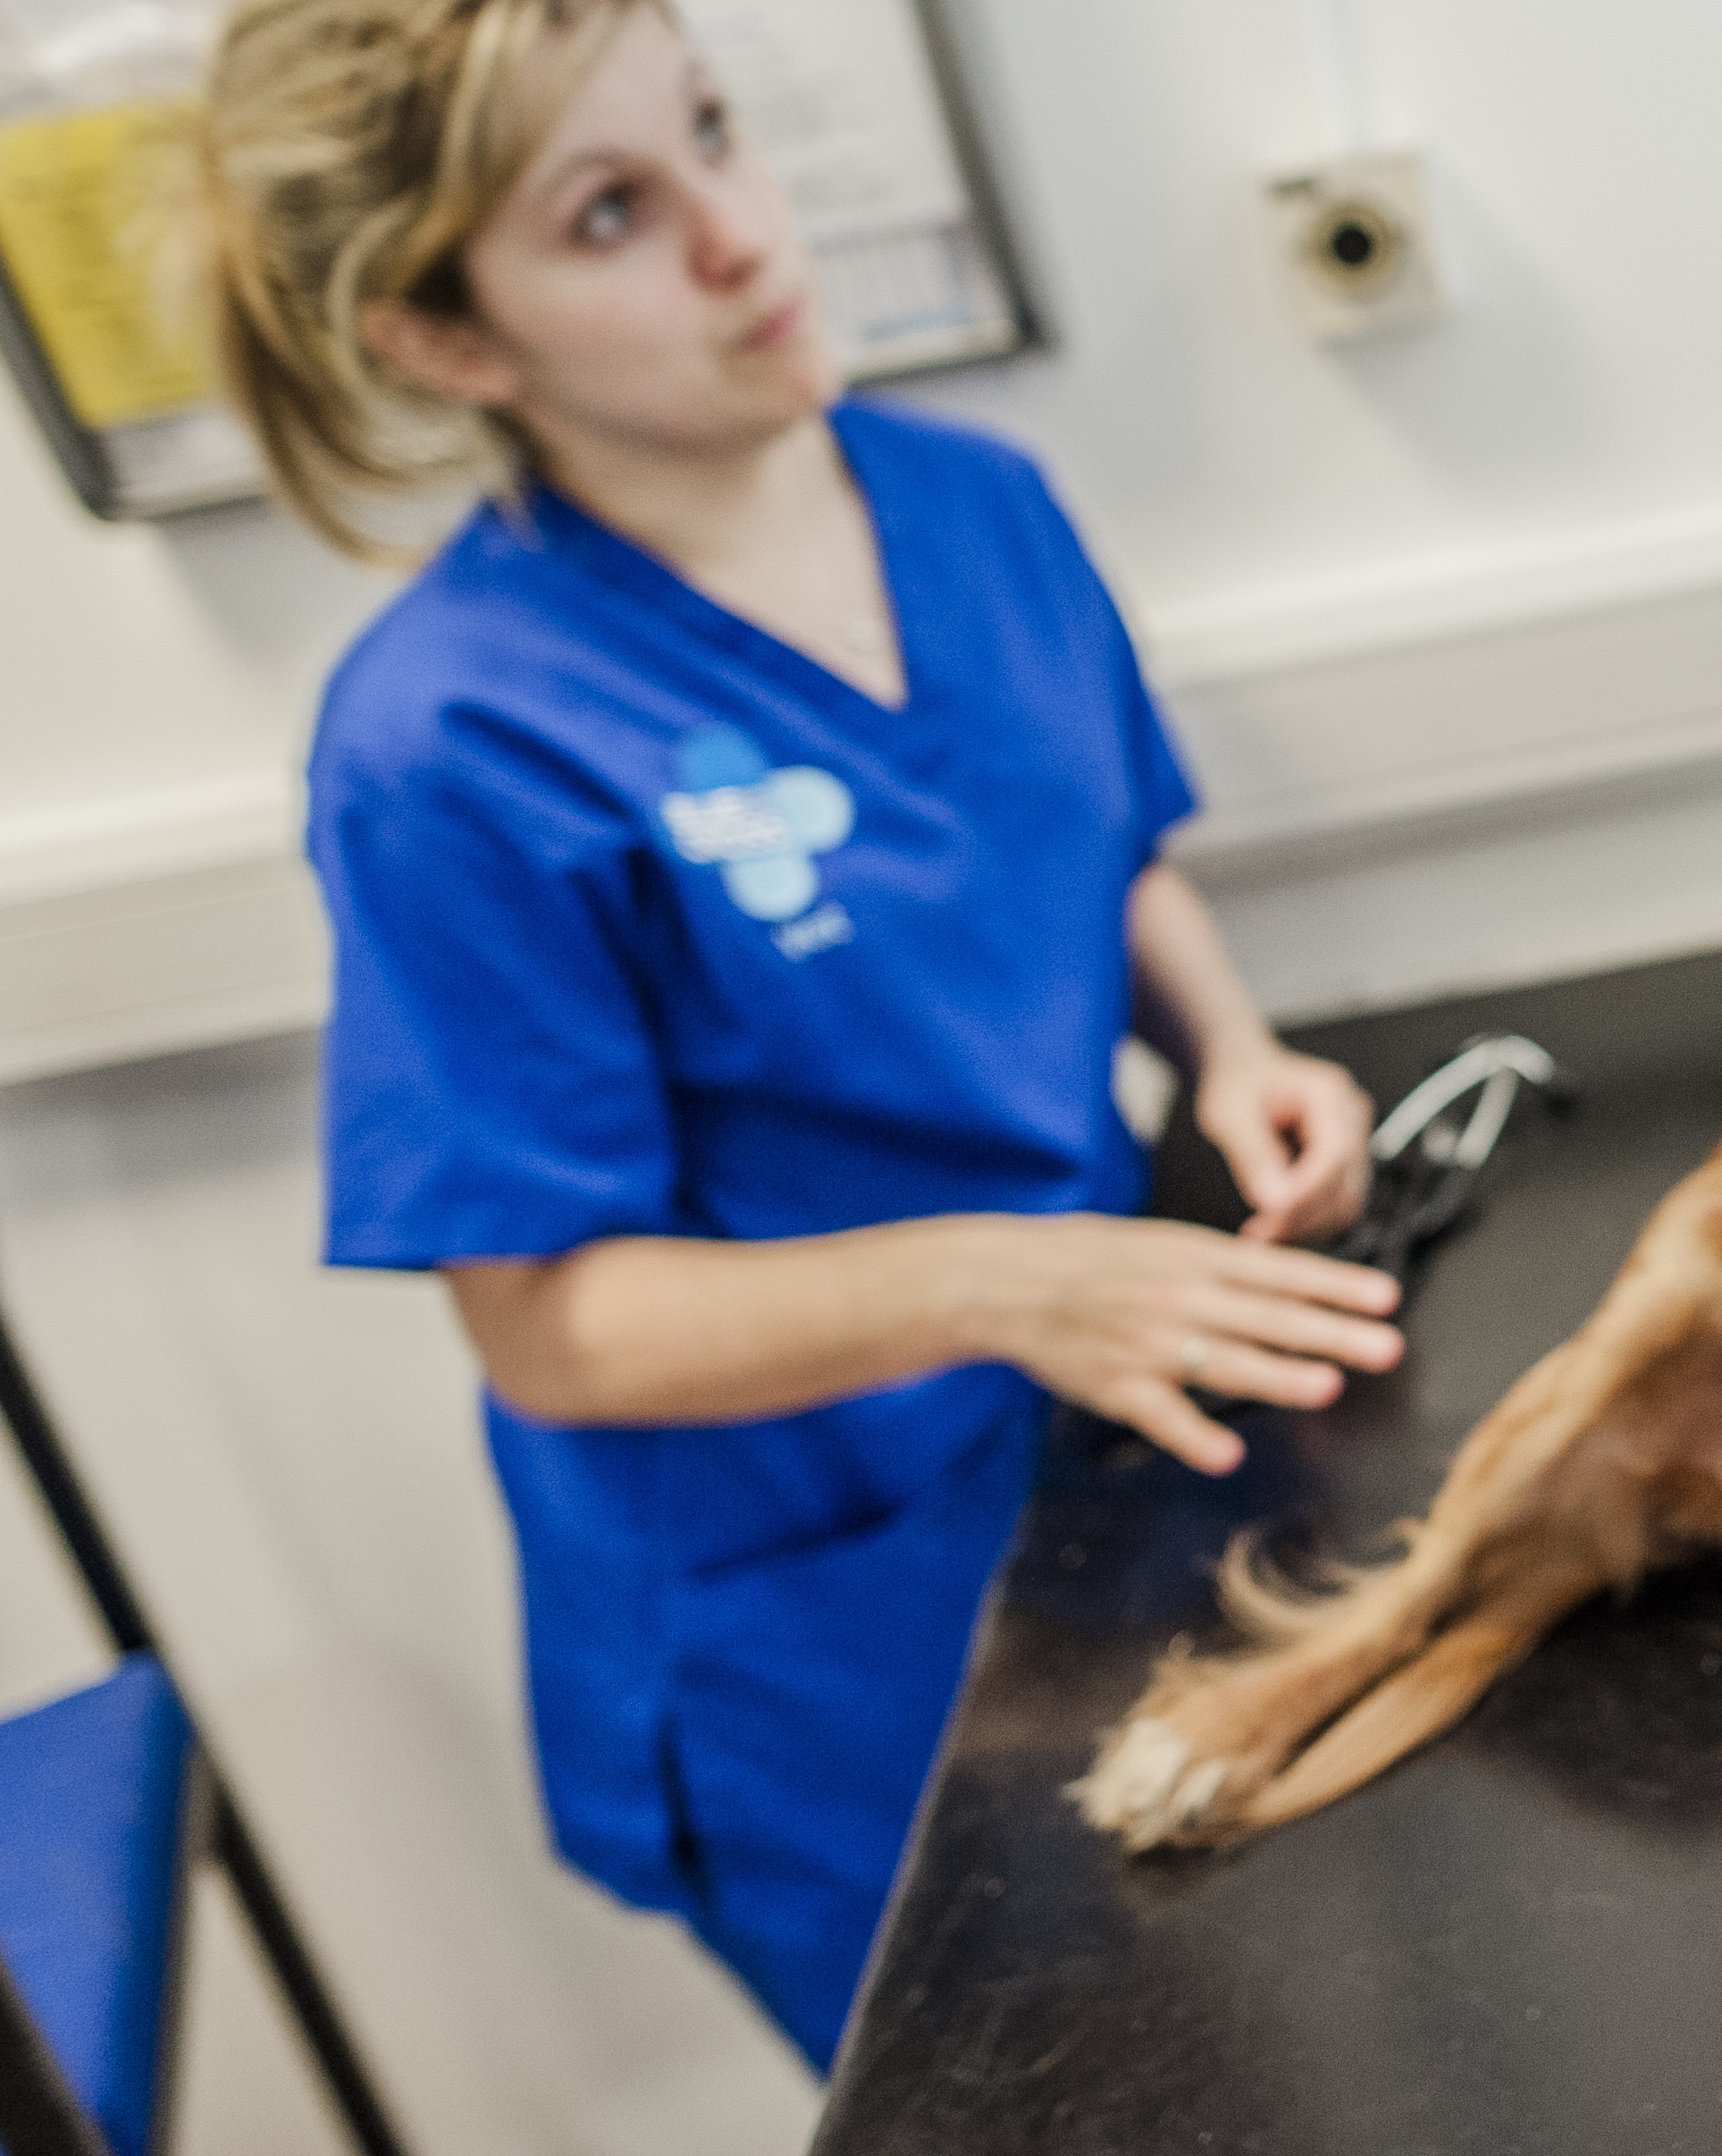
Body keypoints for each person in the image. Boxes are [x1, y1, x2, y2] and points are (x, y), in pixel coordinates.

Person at [196, 0, 1409, 2070]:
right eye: (609, 213)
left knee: (1252, 2052)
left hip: (1105, 1470)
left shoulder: (976, 504)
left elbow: (1088, 846)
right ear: (450, 339)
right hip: (824, 1633)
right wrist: (1007, 1278)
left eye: (716, 135)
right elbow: (547, 1327)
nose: (745, 238)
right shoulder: (450, 741)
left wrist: (1226, 1042)